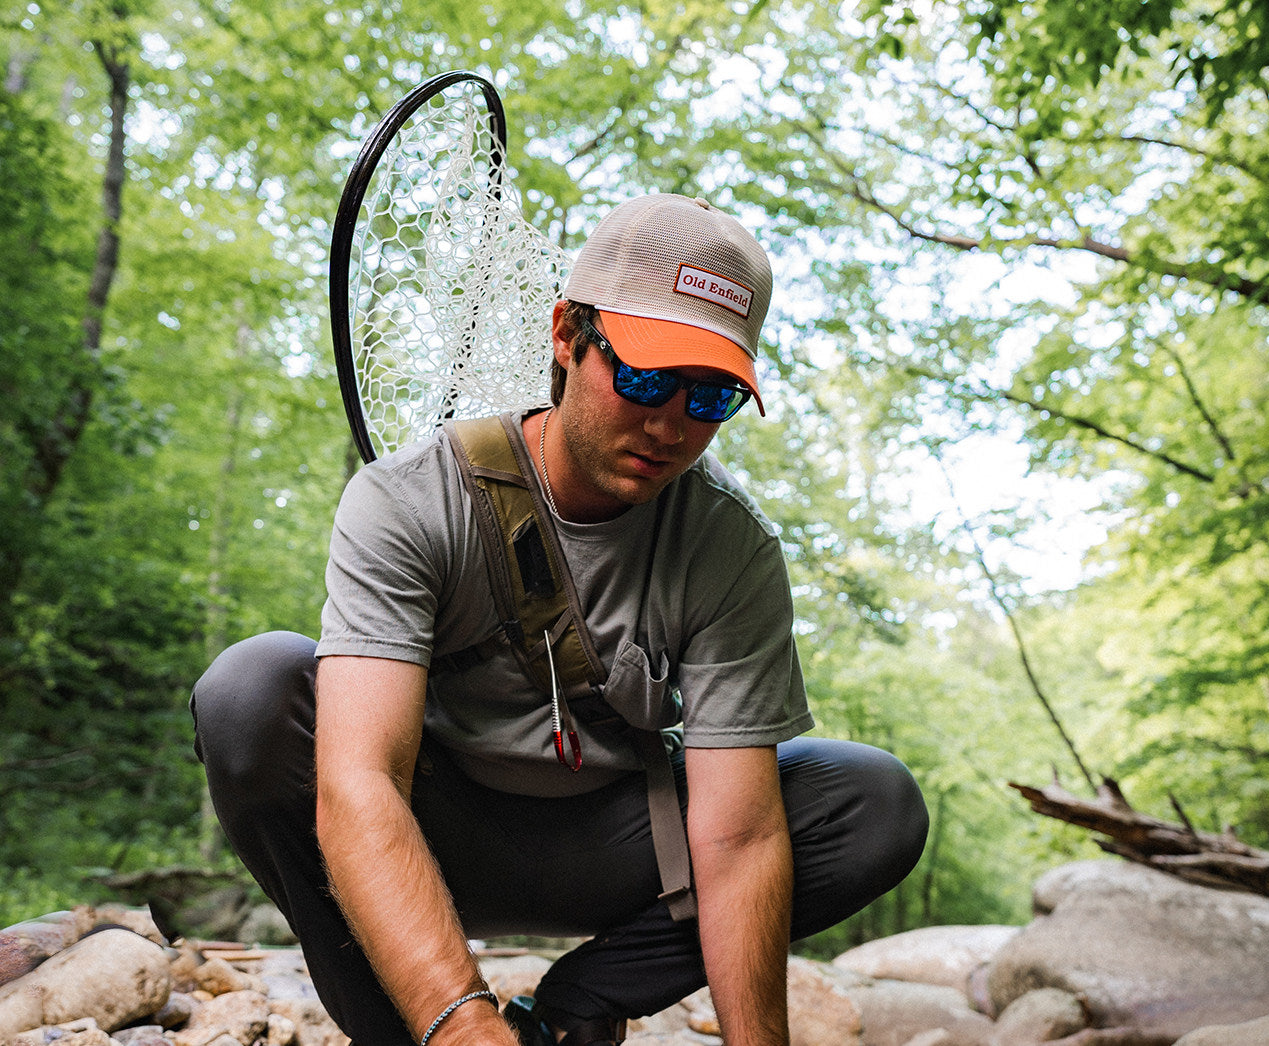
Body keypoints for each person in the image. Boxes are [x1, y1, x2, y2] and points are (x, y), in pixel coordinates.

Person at [192, 193, 928, 1046]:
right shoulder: (409, 500)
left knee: (872, 800)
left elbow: (739, 837)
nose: (668, 425)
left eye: (709, 399)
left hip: (621, 848)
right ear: (566, 337)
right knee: (251, 688)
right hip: (429, 834)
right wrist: (466, 1028)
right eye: (646, 378)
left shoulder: (730, 549)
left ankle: (576, 1007)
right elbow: (360, 787)